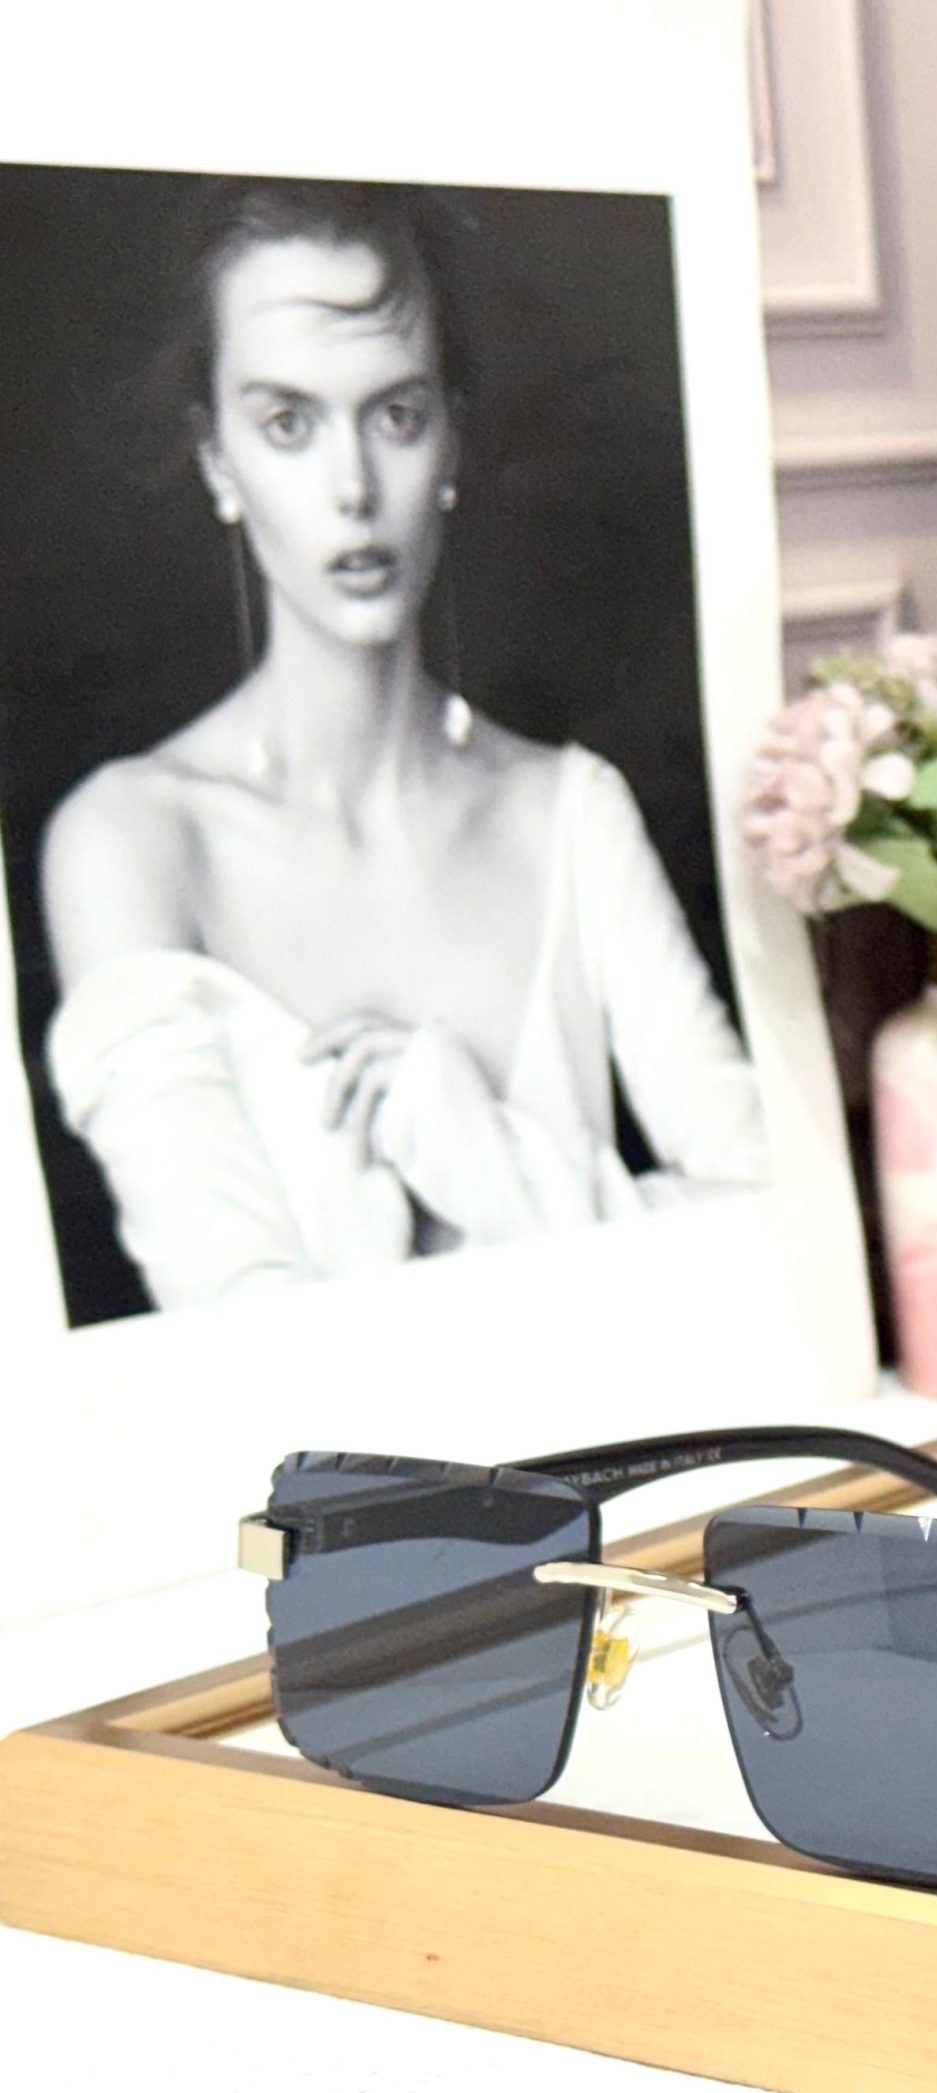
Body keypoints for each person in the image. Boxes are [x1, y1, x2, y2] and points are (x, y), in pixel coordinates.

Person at [38, 179, 769, 1314]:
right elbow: (229, 1335)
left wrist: (485, 1157)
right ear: (219, 461)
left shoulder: (572, 813)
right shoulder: (128, 841)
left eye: (395, 415)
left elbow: (774, 1229)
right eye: (288, 424)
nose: (353, 490)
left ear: (451, 438)